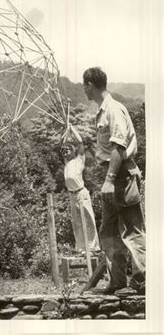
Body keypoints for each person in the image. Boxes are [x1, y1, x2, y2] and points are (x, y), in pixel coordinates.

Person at [83, 67, 145, 293]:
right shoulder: (103, 111)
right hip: (111, 177)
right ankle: (118, 280)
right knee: (109, 231)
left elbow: (119, 147)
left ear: (90, 85)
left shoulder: (113, 109)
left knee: (132, 229)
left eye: (85, 86)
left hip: (121, 176)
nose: (84, 90)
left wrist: (109, 179)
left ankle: (143, 280)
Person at [61, 126, 100, 254]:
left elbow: (80, 142)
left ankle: (93, 247)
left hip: (81, 193)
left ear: (73, 151)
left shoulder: (79, 160)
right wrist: (64, 131)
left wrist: (71, 128)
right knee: (76, 223)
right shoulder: (66, 163)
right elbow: (62, 143)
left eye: (67, 150)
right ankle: (81, 248)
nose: (65, 152)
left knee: (88, 220)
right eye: (64, 151)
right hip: (72, 196)